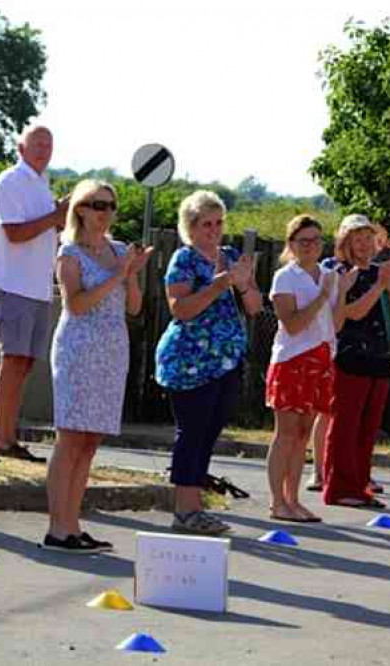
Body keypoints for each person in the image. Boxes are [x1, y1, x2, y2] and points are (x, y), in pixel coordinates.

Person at [43, 180, 152, 553]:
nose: (105, 212)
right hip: (78, 350)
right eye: (97, 204)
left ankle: (73, 524)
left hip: (111, 352)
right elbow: (76, 304)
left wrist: (132, 273)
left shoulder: (119, 250)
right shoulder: (69, 253)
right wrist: (118, 275)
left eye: (110, 205)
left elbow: (134, 307)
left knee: (90, 442)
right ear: (80, 209)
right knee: (70, 438)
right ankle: (57, 528)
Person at [155, 190, 262, 535]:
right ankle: (185, 510)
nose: (213, 230)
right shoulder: (183, 259)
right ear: (191, 226)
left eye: (218, 223)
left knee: (209, 434)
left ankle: (195, 508)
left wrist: (243, 285)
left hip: (226, 361)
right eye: (206, 224)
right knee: (192, 433)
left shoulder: (230, 256)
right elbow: (181, 308)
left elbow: (255, 307)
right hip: (191, 362)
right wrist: (218, 285)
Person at [0, 125, 66, 463]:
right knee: (13, 360)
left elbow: (44, 229)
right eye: (38, 144)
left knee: (25, 363)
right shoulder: (11, 181)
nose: (44, 149)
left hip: (36, 289)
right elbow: (14, 233)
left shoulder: (41, 185)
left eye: (49, 144)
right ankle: (0, 439)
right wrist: (55, 216)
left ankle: (9, 436)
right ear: (21, 148)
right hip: (11, 284)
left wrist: (57, 217)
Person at [265, 214, 352, 522]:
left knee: (303, 434)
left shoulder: (327, 275)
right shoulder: (285, 277)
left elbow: (337, 323)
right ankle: (278, 502)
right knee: (286, 433)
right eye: (304, 241)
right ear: (292, 244)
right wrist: (323, 296)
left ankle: (293, 498)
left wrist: (340, 291)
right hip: (292, 360)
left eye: (316, 240)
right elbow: (292, 324)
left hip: (322, 358)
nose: (311, 246)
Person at [321, 214, 390, 509]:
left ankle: (359, 485)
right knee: (344, 426)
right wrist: (380, 287)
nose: (364, 244)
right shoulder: (337, 270)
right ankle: (339, 488)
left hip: (379, 358)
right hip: (350, 357)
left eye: (368, 237)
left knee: (367, 429)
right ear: (345, 241)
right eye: (357, 238)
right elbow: (351, 313)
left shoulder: (378, 272)